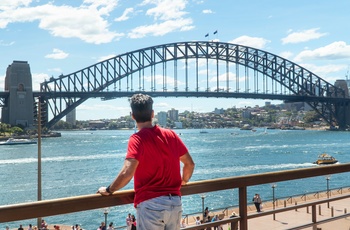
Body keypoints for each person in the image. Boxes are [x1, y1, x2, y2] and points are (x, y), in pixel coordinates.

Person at [98, 93, 195, 230]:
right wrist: (183, 181)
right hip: (175, 203)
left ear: (132, 116)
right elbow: (190, 164)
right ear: (152, 114)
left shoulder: (137, 139)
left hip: (151, 206)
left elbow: (127, 171)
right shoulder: (171, 135)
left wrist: (109, 189)